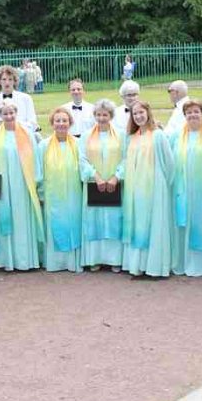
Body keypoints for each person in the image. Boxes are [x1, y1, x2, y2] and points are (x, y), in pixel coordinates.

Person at [0, 102, 44, 271]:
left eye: (11, 113)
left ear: (16, 113)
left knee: (22, 218)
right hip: (2, 183)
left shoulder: (27, 133)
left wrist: (36, 180)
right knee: (5, 218)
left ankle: (25, 259)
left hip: (24, 183)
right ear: (0, 116)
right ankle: (7, 259)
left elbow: (35, 157)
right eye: (5, 114)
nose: (9, 116)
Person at [121, 101, 175, 277]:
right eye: (135, 114)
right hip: (135, 190)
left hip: (155, 187)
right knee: (138, 223)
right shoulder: (132, 137)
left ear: (148, 113)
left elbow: (169, 163)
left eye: (141, 112)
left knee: (153, 224)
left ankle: (154, 266)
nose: (138, 116)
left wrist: (162, 184)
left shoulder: (158, 135)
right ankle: (138, 265)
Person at [169, 100, 202, 277]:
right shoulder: (176, 136)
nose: (193, 115)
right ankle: (183, 262)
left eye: (196, 111)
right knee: (184, 223)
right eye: (189, 112)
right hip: (182, 189)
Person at [79, 99, 124, 272]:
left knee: (114, 219)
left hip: (114, 184)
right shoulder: (86, 136)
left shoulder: (121, 135)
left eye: (105, 115)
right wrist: (95, 176)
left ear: (111, 116)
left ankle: (114, 259)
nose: (101, 118)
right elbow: (82, 159)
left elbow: (126, 158)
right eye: (98, 114)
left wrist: (116, 177)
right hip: (94, 184)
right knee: (94, 219)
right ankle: (94, 258)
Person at [38, 108, 83, 272]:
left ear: (70, 123)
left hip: (73, 192)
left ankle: (72, 261)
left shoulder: (78, 143)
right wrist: (41, 192)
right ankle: (55, 262)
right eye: (57, 120)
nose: (61, 124)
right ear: (52, 123)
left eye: (64, 120)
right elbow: (39, 170)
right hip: (52, 194)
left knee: (73, 222)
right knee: (54, 223)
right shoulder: (43, 145)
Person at [0, 65, 39, 135]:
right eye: (4, 79)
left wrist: (15, 124)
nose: (7, 83)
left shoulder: (26, 99)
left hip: (22, 137)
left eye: (10, 79)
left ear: (14, 81)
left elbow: (33, 124)